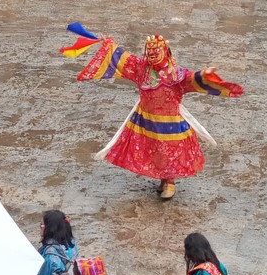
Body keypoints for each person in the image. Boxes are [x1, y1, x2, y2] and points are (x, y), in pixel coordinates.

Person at [65, 31, 243, 200]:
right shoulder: (141, 67)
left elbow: (190, 80)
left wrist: (203, 74)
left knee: (168, 149)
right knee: (152, 149)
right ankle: (162, 178)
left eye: (155, 53)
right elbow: (121, 59)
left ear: (164, 52)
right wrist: (108, 44)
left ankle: (169, 182)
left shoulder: (175, 74)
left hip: (170, 121)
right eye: (149, 53)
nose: (152, 56)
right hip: (146, 119)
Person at [34, 210, 80, 275]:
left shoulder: (50, 255)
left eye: (41, 225)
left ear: (50, 228)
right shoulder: (71, 244)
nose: (40, 228)